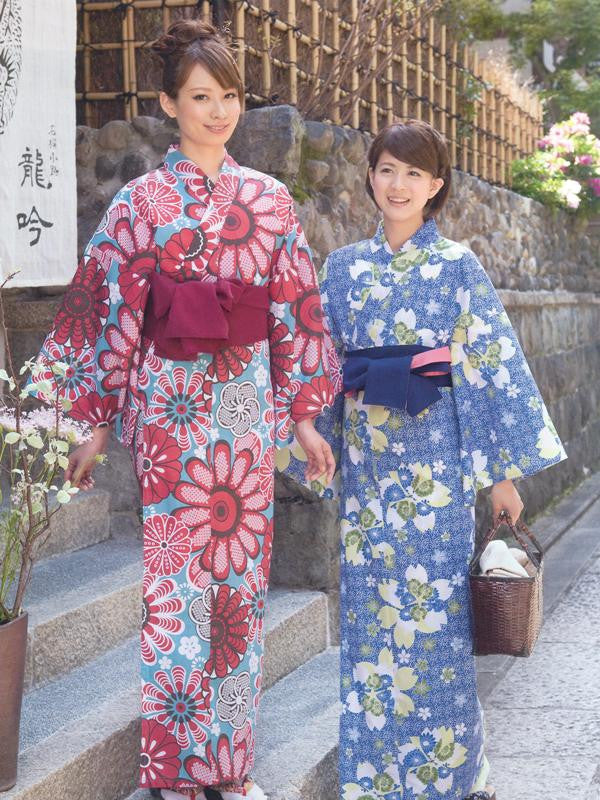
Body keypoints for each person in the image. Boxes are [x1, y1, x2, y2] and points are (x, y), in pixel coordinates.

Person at [34, 19, 335, 800]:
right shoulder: (141, 204)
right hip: (170, 417)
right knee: (174, 594)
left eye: (229, 96)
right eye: (201, 96)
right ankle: (173, 770)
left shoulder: (268, 202)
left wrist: (304, 417)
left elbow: (296, 310)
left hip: (241, 416)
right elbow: (107, 310)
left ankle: (228, 768)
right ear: (170, 102)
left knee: (237, 598)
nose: (218, 110)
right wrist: (90, 421)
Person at [282, 120, 566, 800]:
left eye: (414, 173)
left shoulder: (458, 268)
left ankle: (455, 777)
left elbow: (488, 367)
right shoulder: (345, 268)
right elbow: (320, 360)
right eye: (386, 170)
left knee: (436, 634)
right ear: (371, 178)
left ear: (436, 185)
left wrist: (498, 475)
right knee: (371, 628)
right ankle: (374, 779)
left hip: (434, 476)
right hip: (367, 476)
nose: (398, 184)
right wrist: (305, 432)